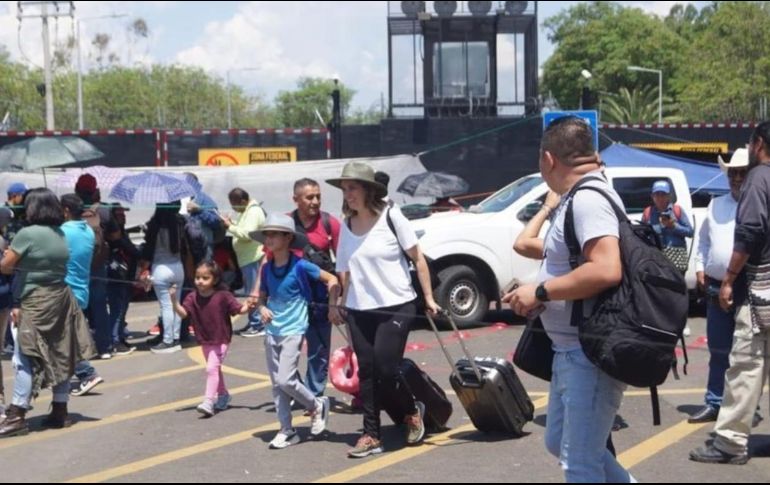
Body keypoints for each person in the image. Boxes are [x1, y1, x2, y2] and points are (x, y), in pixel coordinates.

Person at [502, 116, 634, 482]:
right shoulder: (579, 198)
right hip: (571, 350)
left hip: (586, 353)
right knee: (559, 440)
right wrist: (542, 294)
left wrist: (541, 291)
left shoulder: (589, 200)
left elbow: (606, 269)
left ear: (548, 159)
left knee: (580, 464)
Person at [327, 161, 440, 459]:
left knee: (386, 368)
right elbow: (344, 271)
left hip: (397, 305)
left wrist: (428, 297)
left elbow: (419, 259)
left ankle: (410, 409)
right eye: (344, 188)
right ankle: (371, 434)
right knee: (367, 374)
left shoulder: (392, 216)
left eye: (352, 187)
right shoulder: (347, 225)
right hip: (359, 310)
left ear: (367, 190)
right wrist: (338, 303)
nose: (347, 193)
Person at [690, 122, 770, 465]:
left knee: (745, 364)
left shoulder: (759, 178)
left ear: (759, 143)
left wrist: (728, 279)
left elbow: (751, 230)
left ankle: (730, 443)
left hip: (759, 291)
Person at [0, 189, 95, 436]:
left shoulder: (26, 234)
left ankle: (17, 414)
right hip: (61, 298)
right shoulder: (61, 233)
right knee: (60, 354)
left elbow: (6, 267)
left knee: (24, 358)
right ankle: (60, 409)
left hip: (34, 300)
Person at [249, 214, 338, 449]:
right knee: (277, 385)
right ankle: (286, 429)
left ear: (288, 238)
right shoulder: (267, 268)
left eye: (274, 234)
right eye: (266, 234)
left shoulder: (301, 266)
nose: (268, 238)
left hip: (294, 329)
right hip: (272, 331)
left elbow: (332, 279)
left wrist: (332, 306)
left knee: (285, 379)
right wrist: (262, 308)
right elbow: (262, 298)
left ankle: (316, 404)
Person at [169, 261, 253, 417]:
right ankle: (223, 394)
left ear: (214, 280)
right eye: (197, 277)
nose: (200, 281)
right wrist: (173, 300)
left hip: (221, 339)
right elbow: (183, 314)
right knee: (215, 368)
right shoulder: (192, 297)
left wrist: (248, 305)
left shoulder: (223, 296)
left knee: (211, 368)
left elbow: (238, 309)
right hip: (205, 339)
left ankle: (208, 401)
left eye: (205, 278)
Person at [290, 178, 341, 398]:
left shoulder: (331, 223)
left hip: (321, 295)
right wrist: (258, 294)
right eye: (309, 197)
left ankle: (314, 395)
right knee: (287, 349)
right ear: (296, 199)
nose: (315, 201)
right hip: (291, 297)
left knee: (318, 350)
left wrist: (339, 302)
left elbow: (344, 263)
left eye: (318, 196)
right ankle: (296, 389)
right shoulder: (285, 224)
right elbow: (268, 259)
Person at [59, 194, 105, 398]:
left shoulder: (62, 231)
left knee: (64, 338)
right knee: (69, 336)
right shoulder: (87, 230)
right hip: (81, 289)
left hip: (66, 291)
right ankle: (71, 375)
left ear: (66, 210)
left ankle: (86, 373)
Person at [138, 201, 188, 354]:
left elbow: (148, 250)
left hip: (161, 267)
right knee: (176, 304)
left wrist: (142, 270)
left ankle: (167, 340)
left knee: (166, 306)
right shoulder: (181, 222)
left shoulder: (154, 225)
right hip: (179, 267)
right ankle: (175, 338)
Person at [221, 188, 266, 337]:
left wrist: (230, 227)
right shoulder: (245, 212)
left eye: (234, 204)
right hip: (247, 259)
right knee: (251, 291)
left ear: (243, 201)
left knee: (253, 292)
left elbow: (248, 234)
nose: (233, 208)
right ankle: (253, 322)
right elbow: (242, 229)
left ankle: (258, 324)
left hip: (253, 258)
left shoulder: (253, 211)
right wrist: (232, 223)